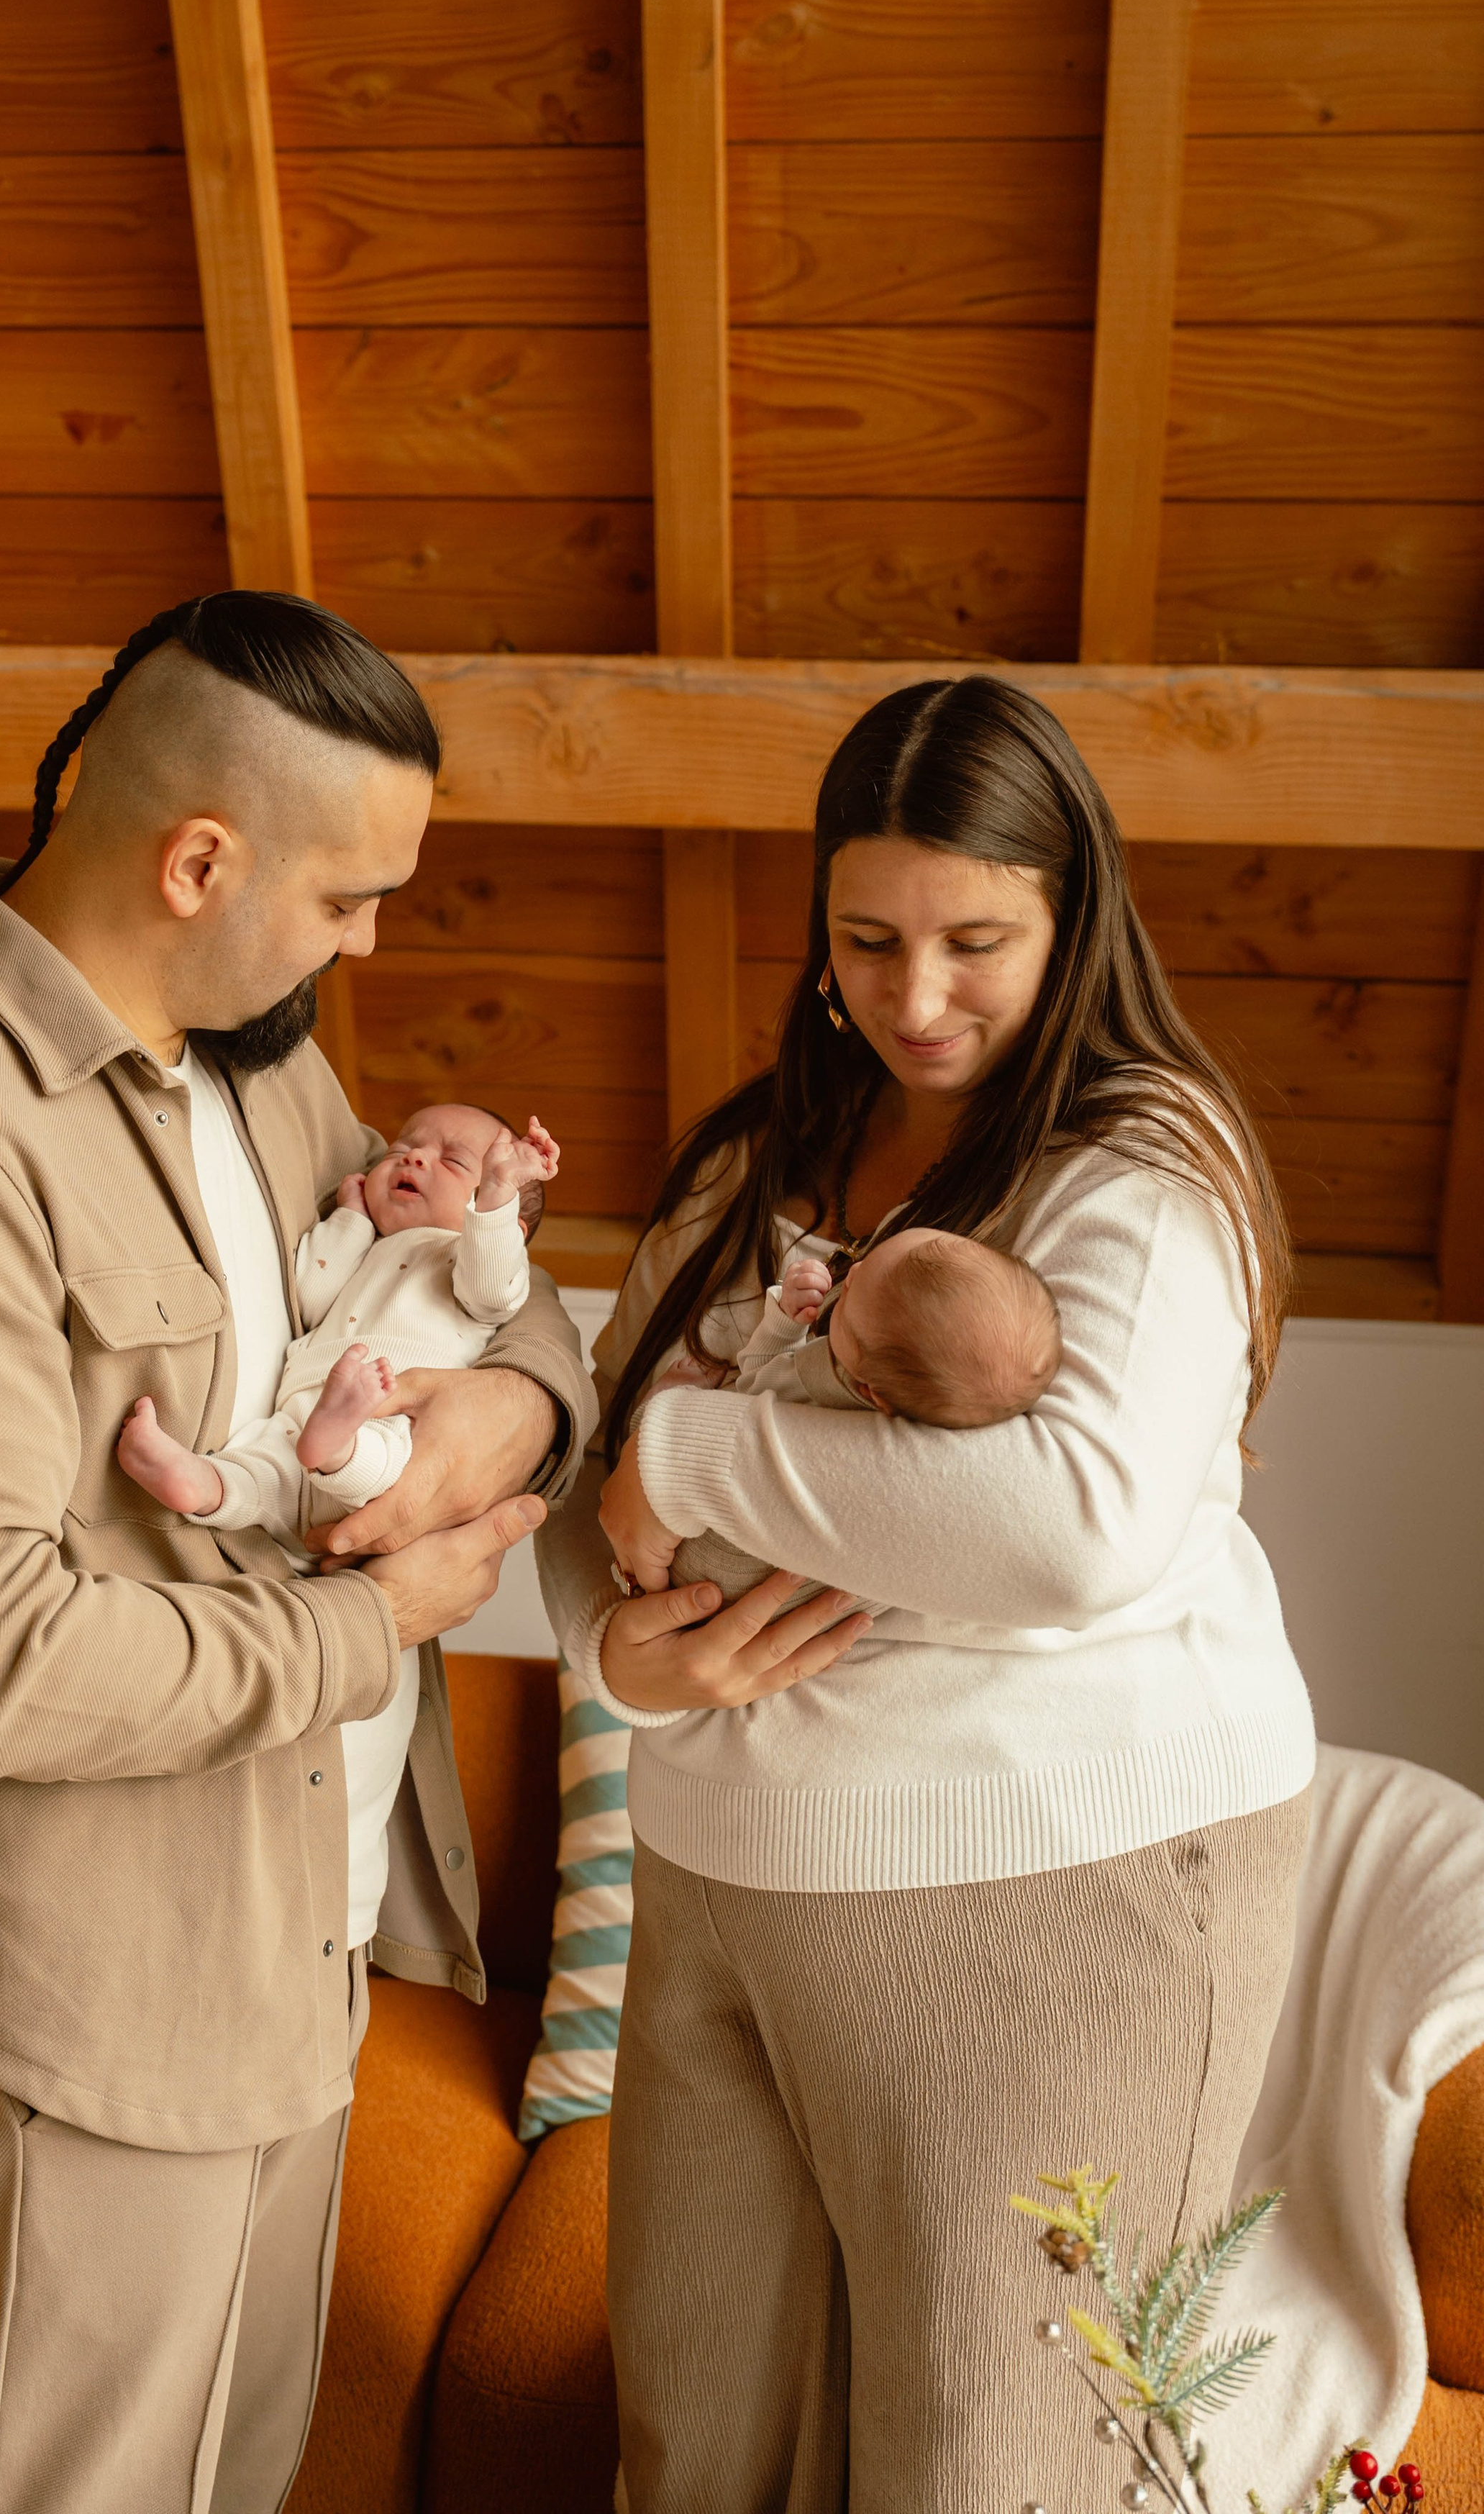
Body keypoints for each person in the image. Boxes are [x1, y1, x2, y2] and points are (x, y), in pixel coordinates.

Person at [0, 590, 595, 2514]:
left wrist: (517, 1413)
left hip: (294, 1940)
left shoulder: (254, 1062)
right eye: (347, 895)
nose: (371, 939)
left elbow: (489, 1293)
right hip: (95, 2002)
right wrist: (373, 1620)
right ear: (201, 857)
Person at [538, 673, 1317, 2509]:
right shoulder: (753, 1157)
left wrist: (702, 1458)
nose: (912, 995)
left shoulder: (1138, 1168)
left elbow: (1070, 1526)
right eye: (864, 937)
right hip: (727, 1863)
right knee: (691, 2432)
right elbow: (599, 1466)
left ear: (1070, 919)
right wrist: (614, 1645)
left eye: (976, 939)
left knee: (988, 2460)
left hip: (1047, 1880)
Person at [117, 1099, 561, 1539]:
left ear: (506, 1225)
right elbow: (310, 1295)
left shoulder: (479, 1264)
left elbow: (491, 1287)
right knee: (264, 1470)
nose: (414, 1156)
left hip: (396, 1411)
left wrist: (499, 1192)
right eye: (399, 1150)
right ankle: (204, 1485)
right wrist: (352, 1220)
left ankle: (339, 1447)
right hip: (305, 1406)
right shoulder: (370, 1248)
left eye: (454, 1161)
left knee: (387, 1460)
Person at [647, 1225, 1063, 1608]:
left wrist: (784, 1326)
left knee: (655, 1426)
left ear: (869, 1392)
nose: (857, 1268)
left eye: (844, 1304)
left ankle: (661, 1399)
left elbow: (753, 1385)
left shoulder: (821, 1385)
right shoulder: (940, 1422)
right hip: (800, 1591)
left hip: (705, 1570)